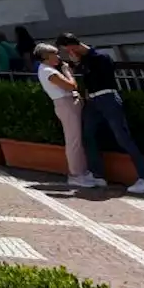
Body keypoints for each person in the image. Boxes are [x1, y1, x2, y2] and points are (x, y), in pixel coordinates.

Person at [57, 33, 144, 194]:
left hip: (107, 97)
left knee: (123, 137)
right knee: (88, 134)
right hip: (93, 101)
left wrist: (79, 63)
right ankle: (98, 175)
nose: (67, 53)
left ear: (72, 46)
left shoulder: (100, 57)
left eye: (66, 49)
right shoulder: (86, 60)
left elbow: (100, 76)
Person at [34, 43, 95, 188]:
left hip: (68, 103)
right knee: (74, 140)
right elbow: (71, 86)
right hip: (65, 104)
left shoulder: (48, 70)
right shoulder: (49, 71)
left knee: (77, 138)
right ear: (46, 57)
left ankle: (82, 171)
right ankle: (76, 174)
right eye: (55, 54)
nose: (58, 57)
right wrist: (68, 72)